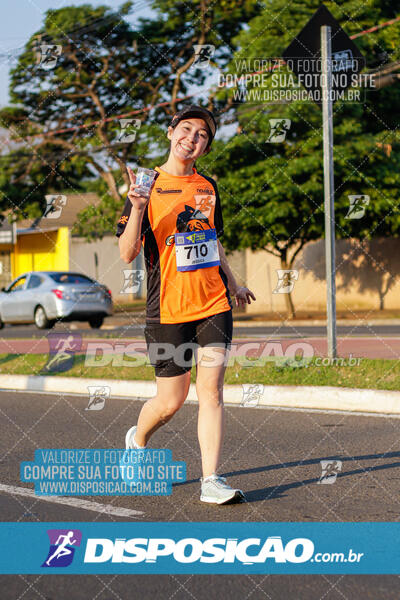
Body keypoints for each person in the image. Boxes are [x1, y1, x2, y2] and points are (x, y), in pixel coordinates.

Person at [116, 105, 256, 504]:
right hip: (168, 310)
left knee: (211, 391)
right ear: (171, 132)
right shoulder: (144, 185)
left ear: (206, 147)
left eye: (202, 136)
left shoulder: (207, 186)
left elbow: (211, 240)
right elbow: (127, 254)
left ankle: (210, 480)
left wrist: (233, 282)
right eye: (187, 129)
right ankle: (137, 440)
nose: (192, 139)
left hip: (213, 302)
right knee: (170, 402)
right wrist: (139, 208)